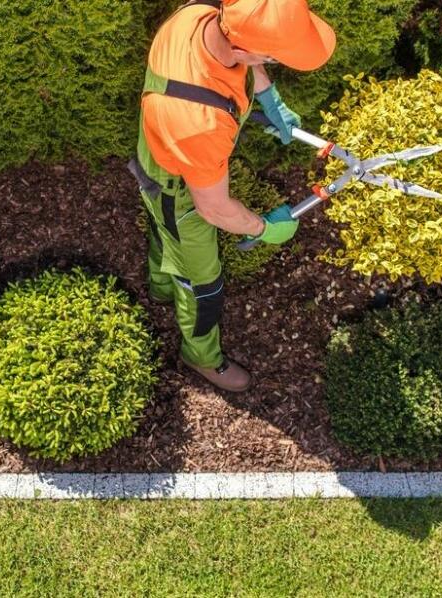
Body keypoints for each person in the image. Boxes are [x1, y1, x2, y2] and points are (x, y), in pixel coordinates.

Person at [129, 0, 335, 392]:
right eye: (272, 58)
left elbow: (243, 47)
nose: (271, 64)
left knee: (163, 230)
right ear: (242, 50)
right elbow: (215, 208)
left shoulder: (197, 16)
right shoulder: (200, 124)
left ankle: (158, 285)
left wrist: (269, 96)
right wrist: (265, 228)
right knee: (202, 283)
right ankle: (202, 357)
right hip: (180, 190)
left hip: (155, 155)